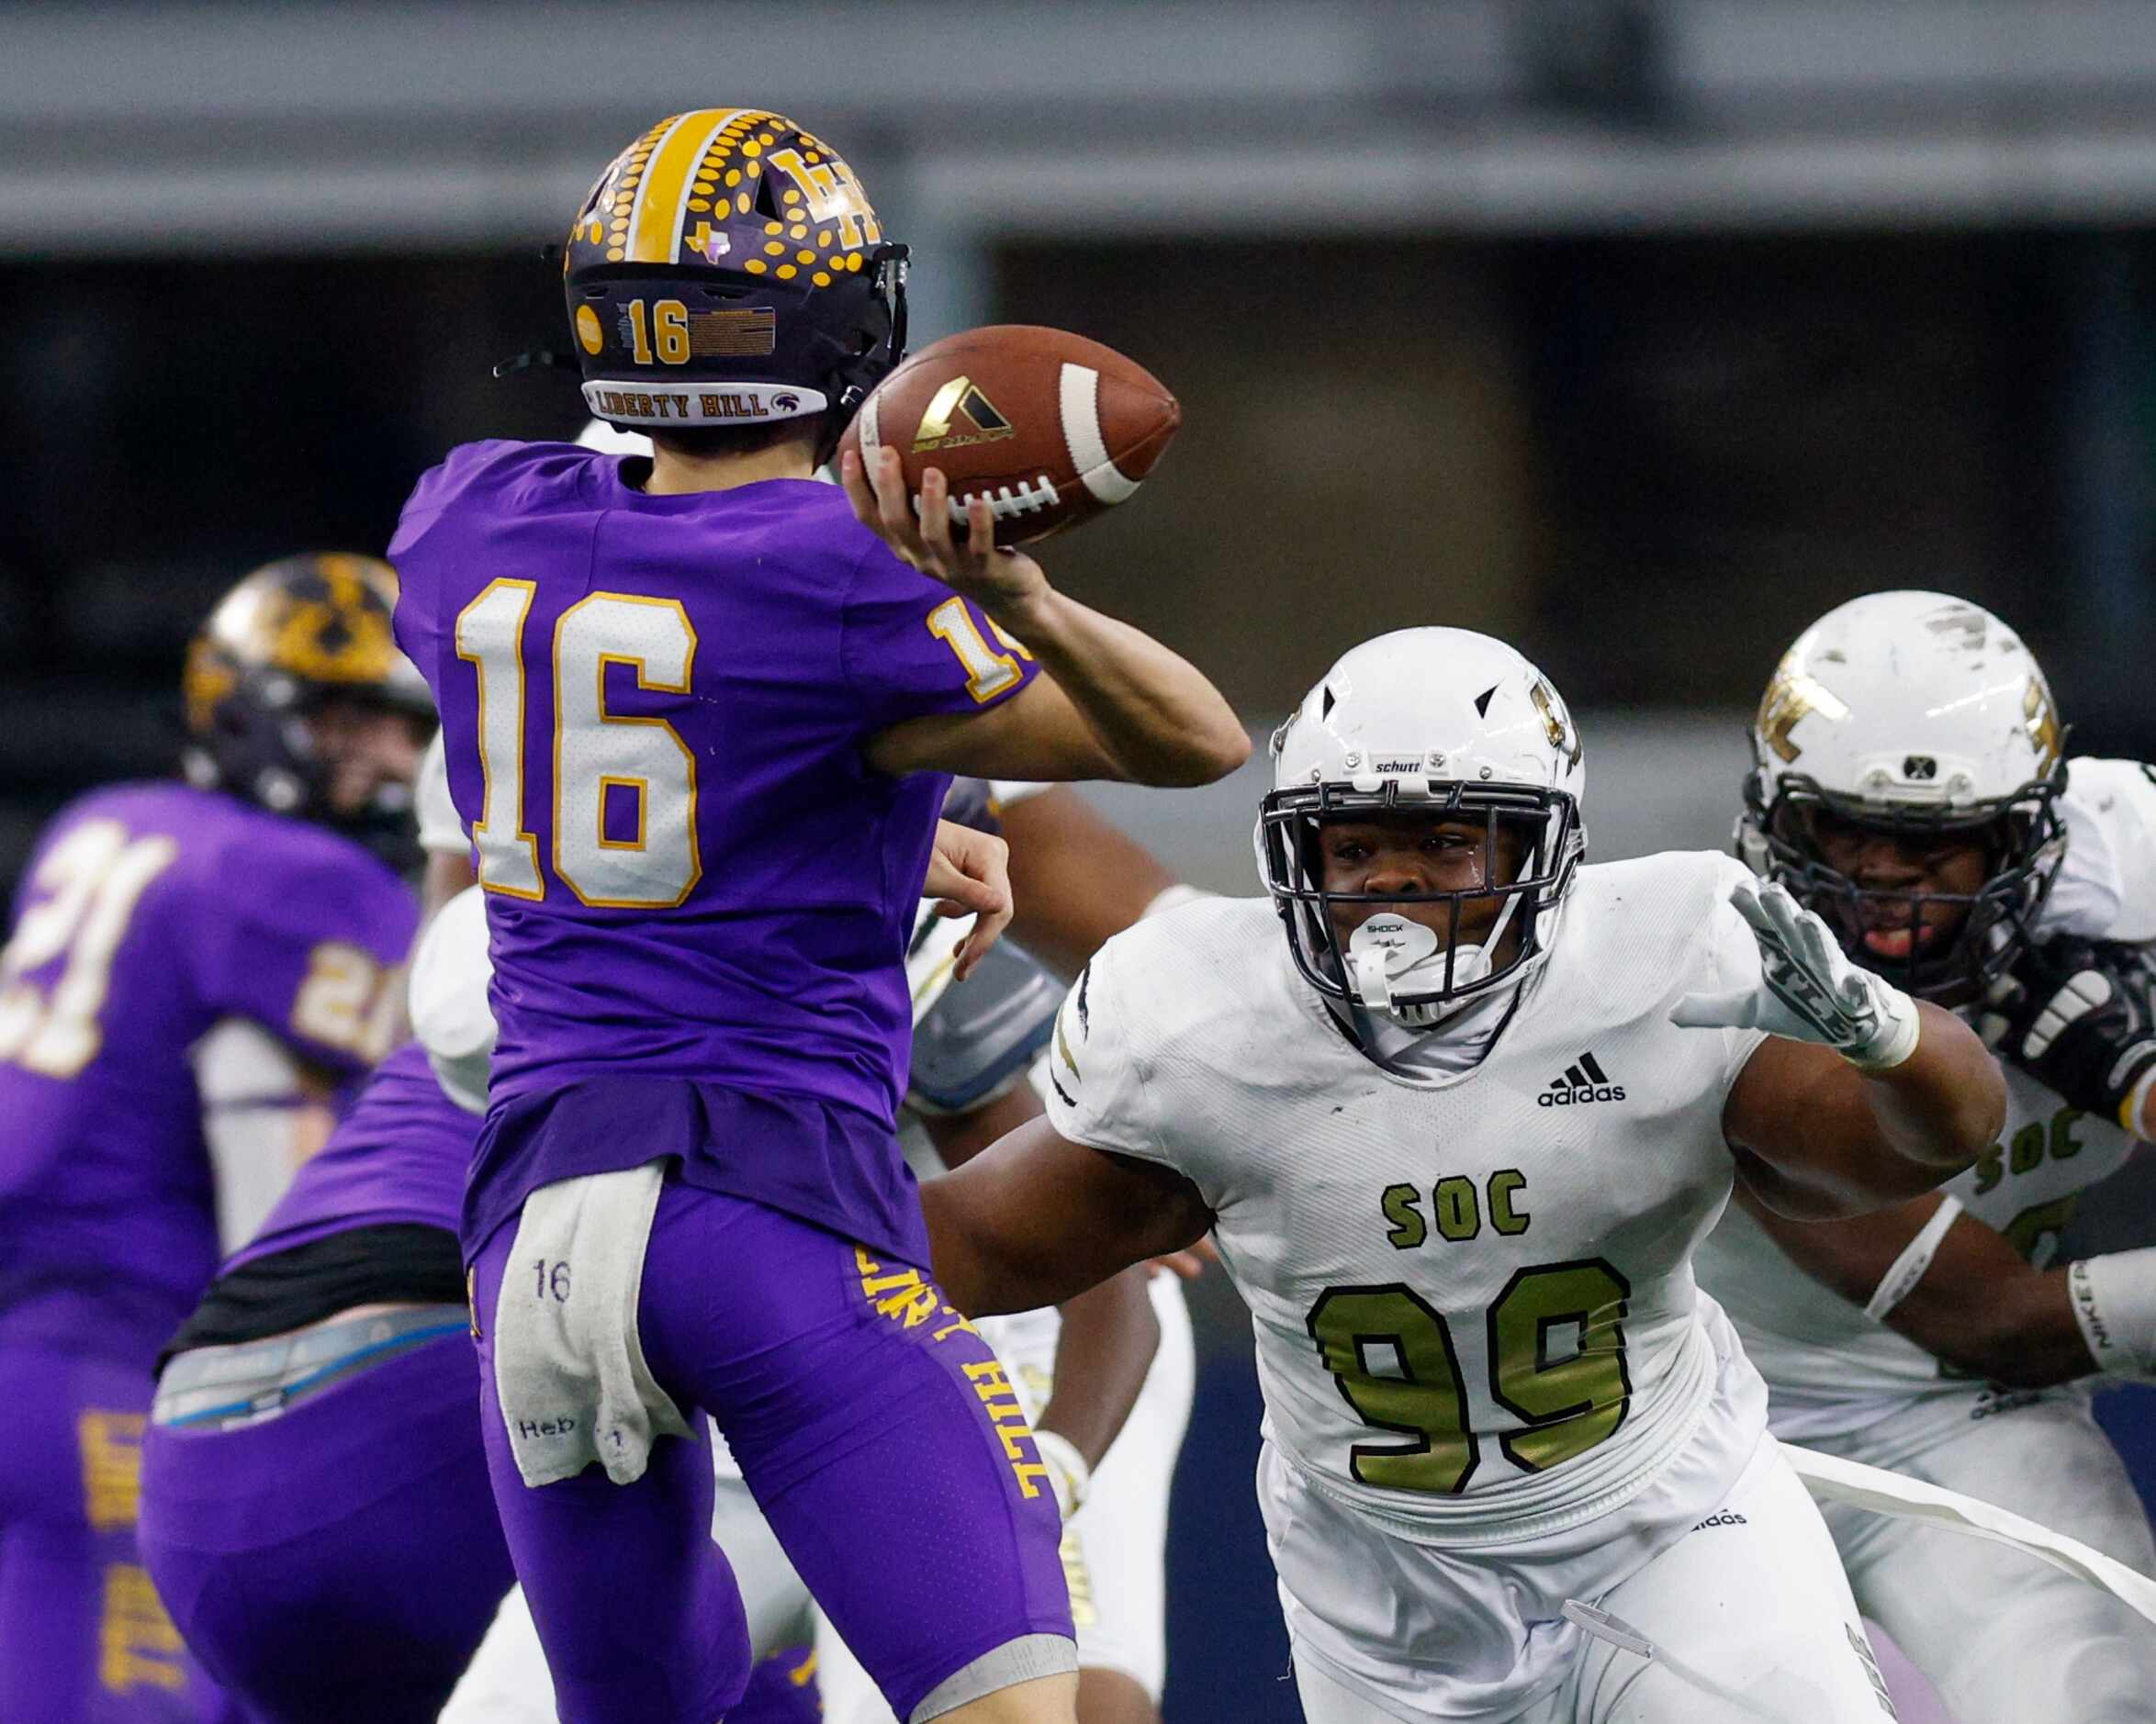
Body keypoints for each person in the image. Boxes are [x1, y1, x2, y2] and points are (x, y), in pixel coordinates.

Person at [387, 107, 1246, 1724]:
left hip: (531, 1244)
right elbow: (1193, 740)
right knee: (1008, 1700)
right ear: (849, 318)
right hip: (771, 1206)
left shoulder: (464, 520)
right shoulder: (844, 585)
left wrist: (880, 814)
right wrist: (1018, 599)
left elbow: (647, 709)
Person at [916, 625, 2010, 1722]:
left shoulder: (1660, 960)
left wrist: (1899, 1045)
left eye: (1444, 840)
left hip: (1669, 1520)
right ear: (1294, 856)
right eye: (1350, 847)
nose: (1391, 879)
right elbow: (970, 1249)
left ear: (1543, 848)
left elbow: (1912, 1148)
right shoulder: (1206, 1026)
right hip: (1382, 1588)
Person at [1690, 589, 2156, 1722]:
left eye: (1930, 839)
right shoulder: (1706, 968)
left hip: (1968, 1416)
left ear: (2025, 829)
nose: (1878, 877)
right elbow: (1990, 1318)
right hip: (1696, 1433)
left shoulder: (2130, 860)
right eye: (1841, 830)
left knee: (2093, 1700)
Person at [0, 553, 424, 1723]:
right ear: (244, 703)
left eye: (404, 729)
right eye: (348, 717)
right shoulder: (294, 879)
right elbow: (460, 1041)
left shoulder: (106, 818)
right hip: (112, 1357)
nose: (386, 760)